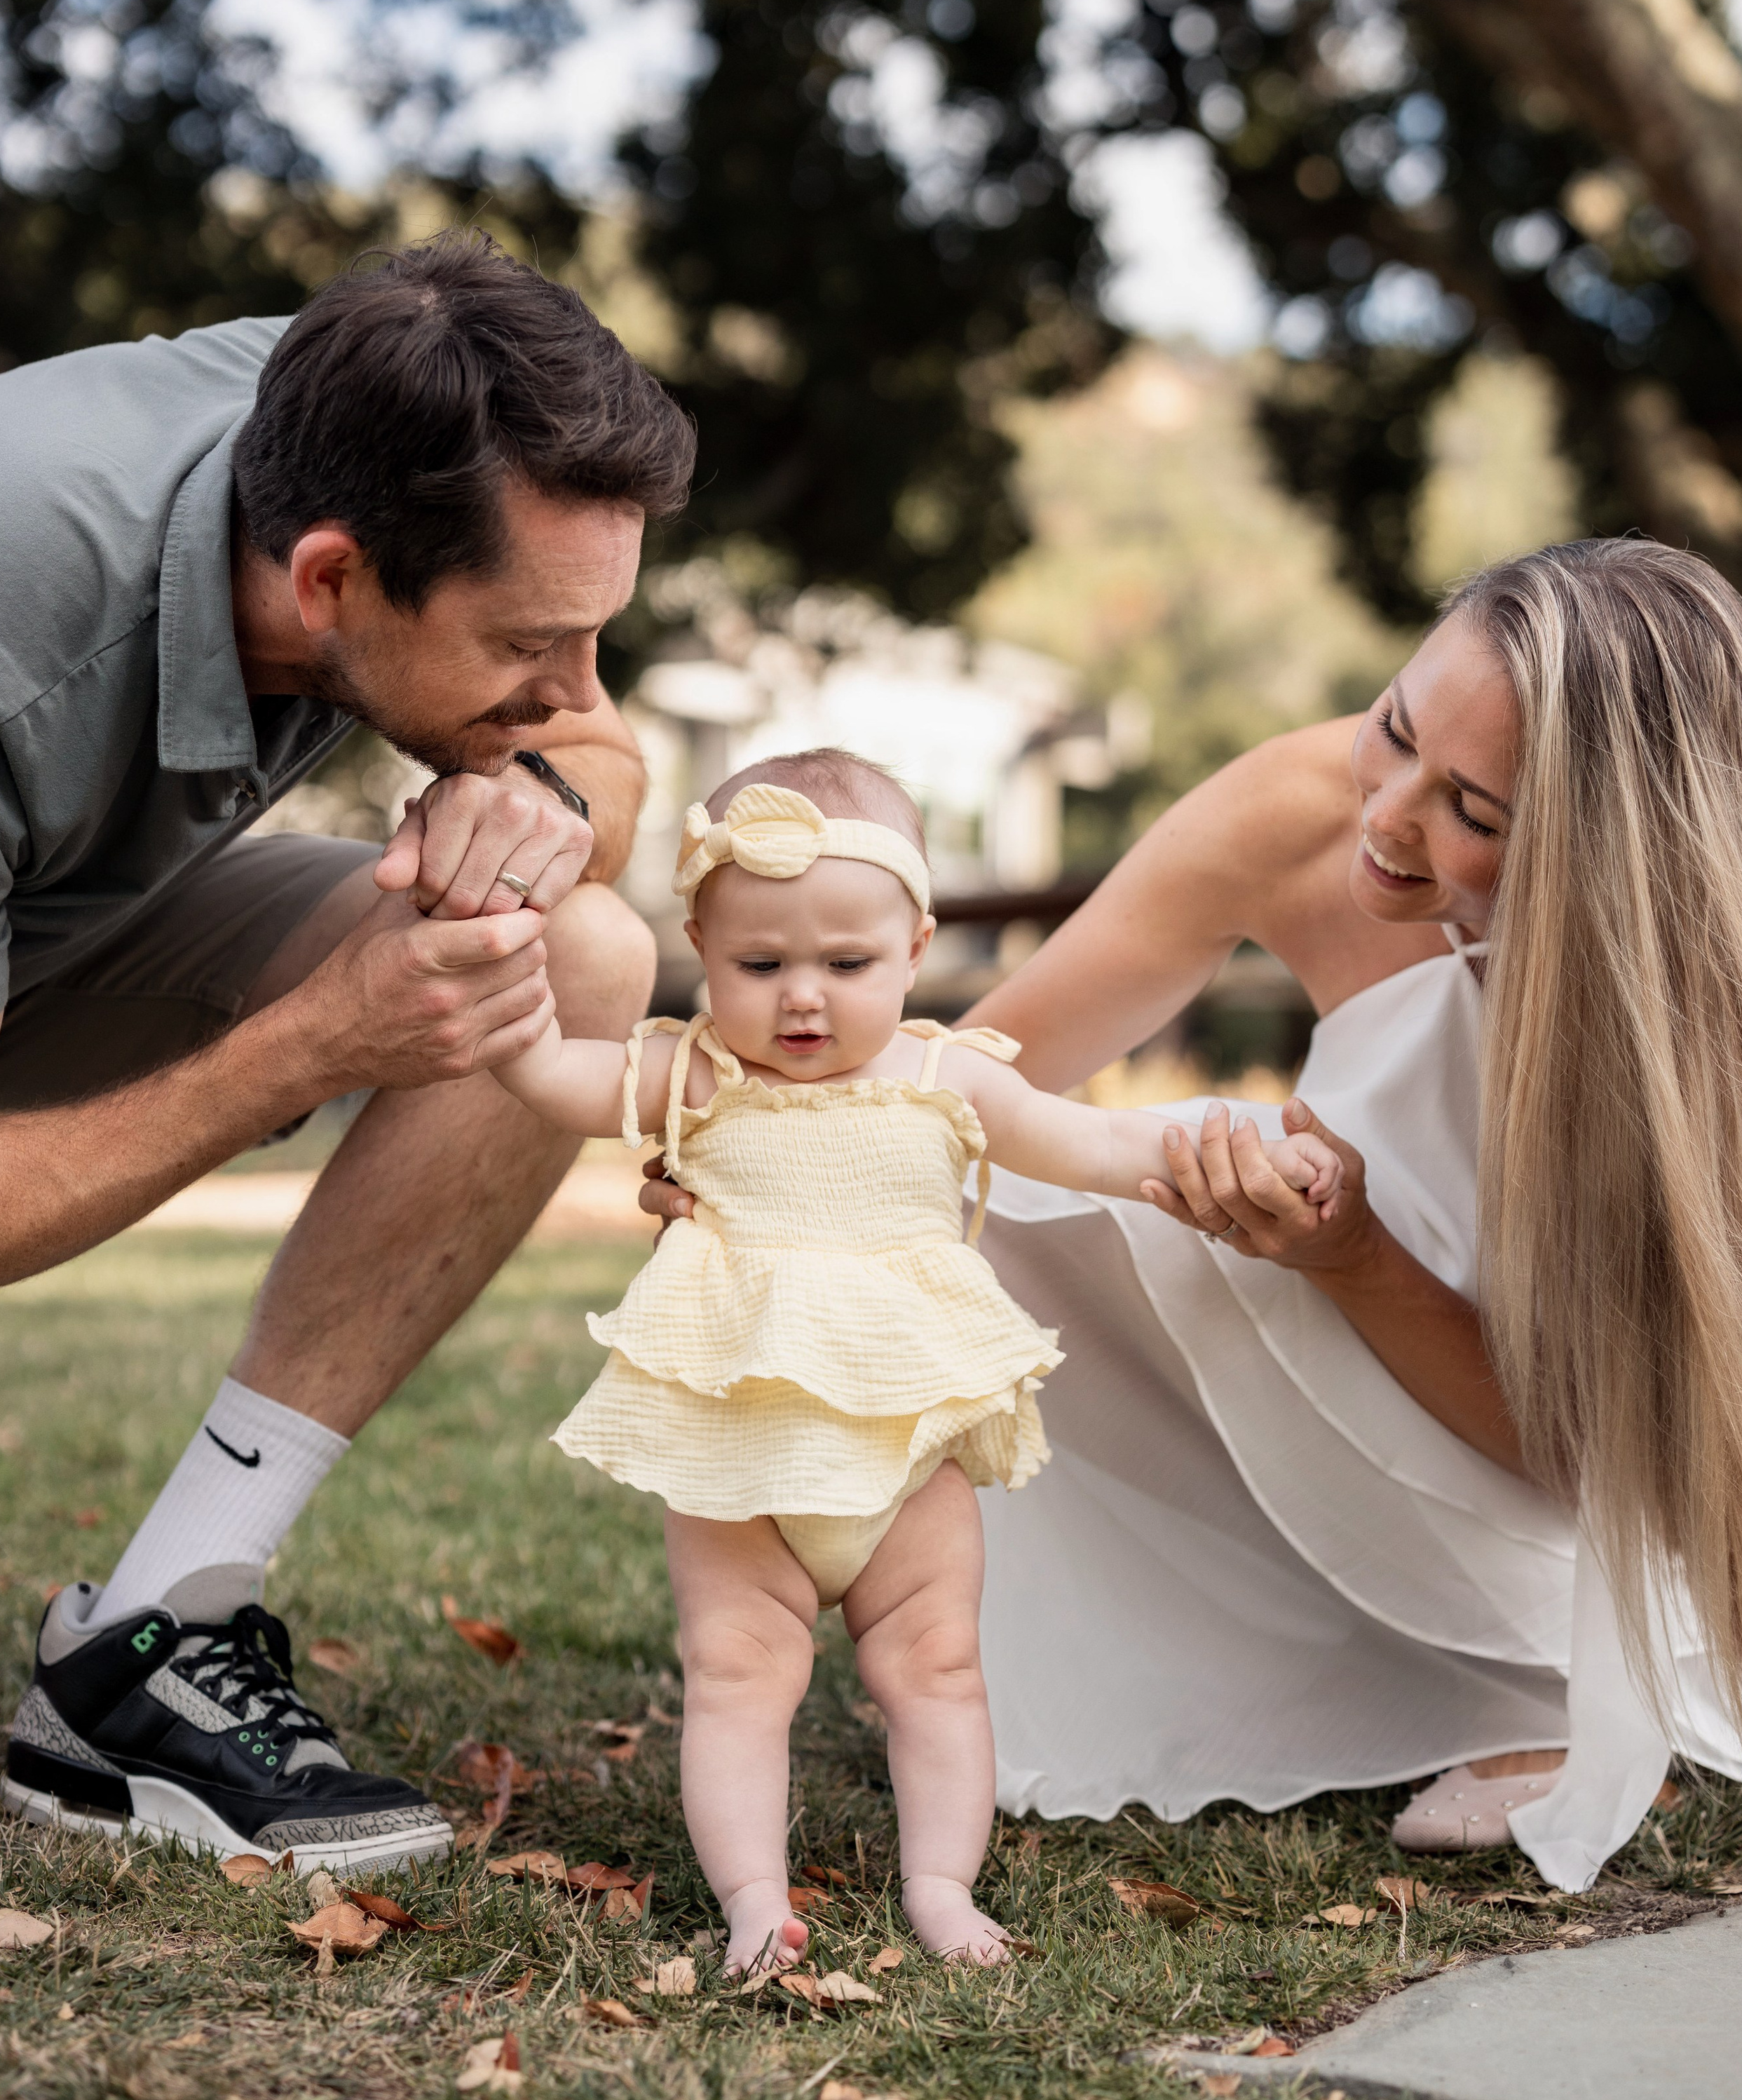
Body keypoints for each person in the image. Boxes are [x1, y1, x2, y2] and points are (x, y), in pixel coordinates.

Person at [641, 541, 1742, 1889]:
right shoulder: (1302, 801)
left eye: (1474, 807)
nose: (1390, 820)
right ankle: (974, 1614)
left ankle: (1523, 1673)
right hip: (1348, 1380)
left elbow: (1599, 1461)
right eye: (1395, 730)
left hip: (1570, 1476)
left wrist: (1353, 1257)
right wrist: (762, 1156)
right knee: (971, 1181)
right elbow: (947, 1086)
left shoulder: (1702, 1028)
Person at [0, 230, 691, 1876]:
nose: (578, 686)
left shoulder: (384, 414)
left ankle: (152, 1640)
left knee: (567, 950)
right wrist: (303, 1045)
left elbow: (605, 758)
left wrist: (548, 799)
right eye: (532, 647)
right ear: (327, 582)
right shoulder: (6, 631)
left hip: (48, 923)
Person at [496, 752, 1343, 1969]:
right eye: (760, 964)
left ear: (914, 947)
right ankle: (751, 1901)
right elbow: (548, 1076)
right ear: (702, 945)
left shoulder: (949, 1080)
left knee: (937, 1669)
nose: (803, 999)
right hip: (746, 1459)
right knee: (737, 1674)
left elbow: (1102, 1143)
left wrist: (1247, 1148)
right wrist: (502, 981)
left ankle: (942, 1886)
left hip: (908, 1456)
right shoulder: (696, 1074)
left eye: (847, 965)